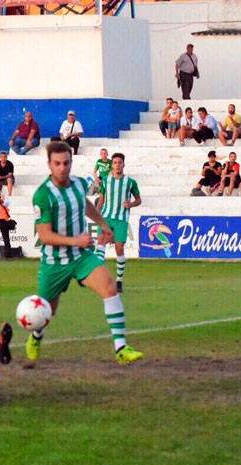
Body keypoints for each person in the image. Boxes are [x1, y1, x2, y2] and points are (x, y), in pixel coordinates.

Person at [27, 141, 143, 366]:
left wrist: (103, 224)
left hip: (81, 257)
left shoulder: (79, 184)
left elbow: (86, 205)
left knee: (109, 287)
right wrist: (76, 240)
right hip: (54, 262)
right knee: (47, 313)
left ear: (71, 162)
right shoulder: (43, 195)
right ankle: (36, 336)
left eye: (66, 163)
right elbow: (45, 235)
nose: (62, 168)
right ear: (49, 164)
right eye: (57, 163)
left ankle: (121, 347)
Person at [95, 152, 141, 293]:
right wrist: (97, 214)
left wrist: (131, 204)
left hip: (121, 218)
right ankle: (99, 278)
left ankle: (119, 280)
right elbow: (101, 199)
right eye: (114, 162)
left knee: (119, 248)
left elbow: (138, 200)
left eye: (119, 162)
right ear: (112, 165)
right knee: (101, 242)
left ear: (123, 164)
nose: (117, 165)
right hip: (106, 216)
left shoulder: (130, 182)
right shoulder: (106, 181)